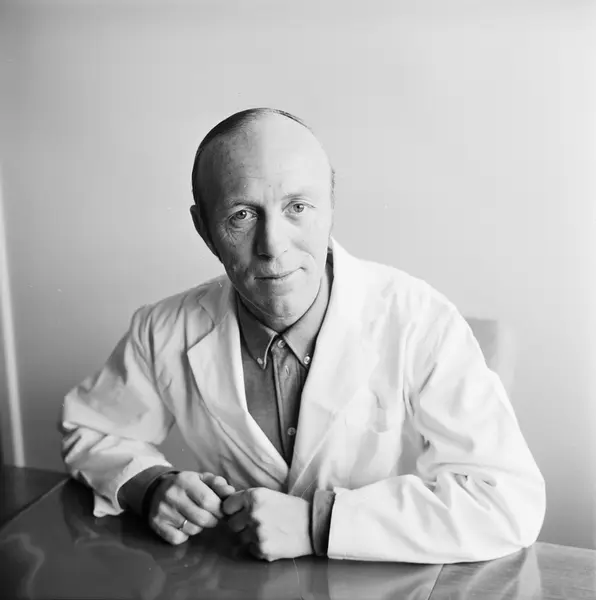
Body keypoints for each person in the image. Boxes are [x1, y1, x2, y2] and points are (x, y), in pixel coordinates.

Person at [61, 108, 546, 563]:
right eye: (241, 215)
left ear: (330, 208)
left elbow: (505, 500)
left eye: (297, 207)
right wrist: (149, 486)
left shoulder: (420, 319)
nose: (273, 246)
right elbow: (92, 429)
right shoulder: (162, 329)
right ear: (204, 228)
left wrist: (321, 523)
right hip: (234, 577)